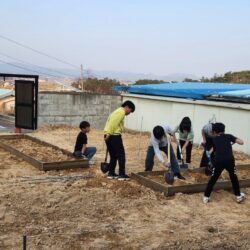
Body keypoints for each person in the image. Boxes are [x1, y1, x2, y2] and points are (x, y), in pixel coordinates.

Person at [203, 122, 245, 204]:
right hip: (229, 160)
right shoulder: (229, 136)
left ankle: (206, 197)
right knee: (233, 177)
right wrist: (235, 140)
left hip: (218, 160)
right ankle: (238, 196)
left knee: (213, 178)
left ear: (214, 132)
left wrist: (208, 153)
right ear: (224, 130)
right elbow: (241, 142)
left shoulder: (214, 139)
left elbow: (212, 150)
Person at [104, 100, 135, 180]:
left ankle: (111, 173)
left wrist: (107, 134)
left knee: (113, 155)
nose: (129, 113)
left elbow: (111, 122)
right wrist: (109, 133)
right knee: (121, 155)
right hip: (114, 136)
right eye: (130, 111)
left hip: (109, 135)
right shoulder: (121, 112)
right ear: (127, 107)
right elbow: (113, 123)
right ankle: (121, 174)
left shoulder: (117, 111)